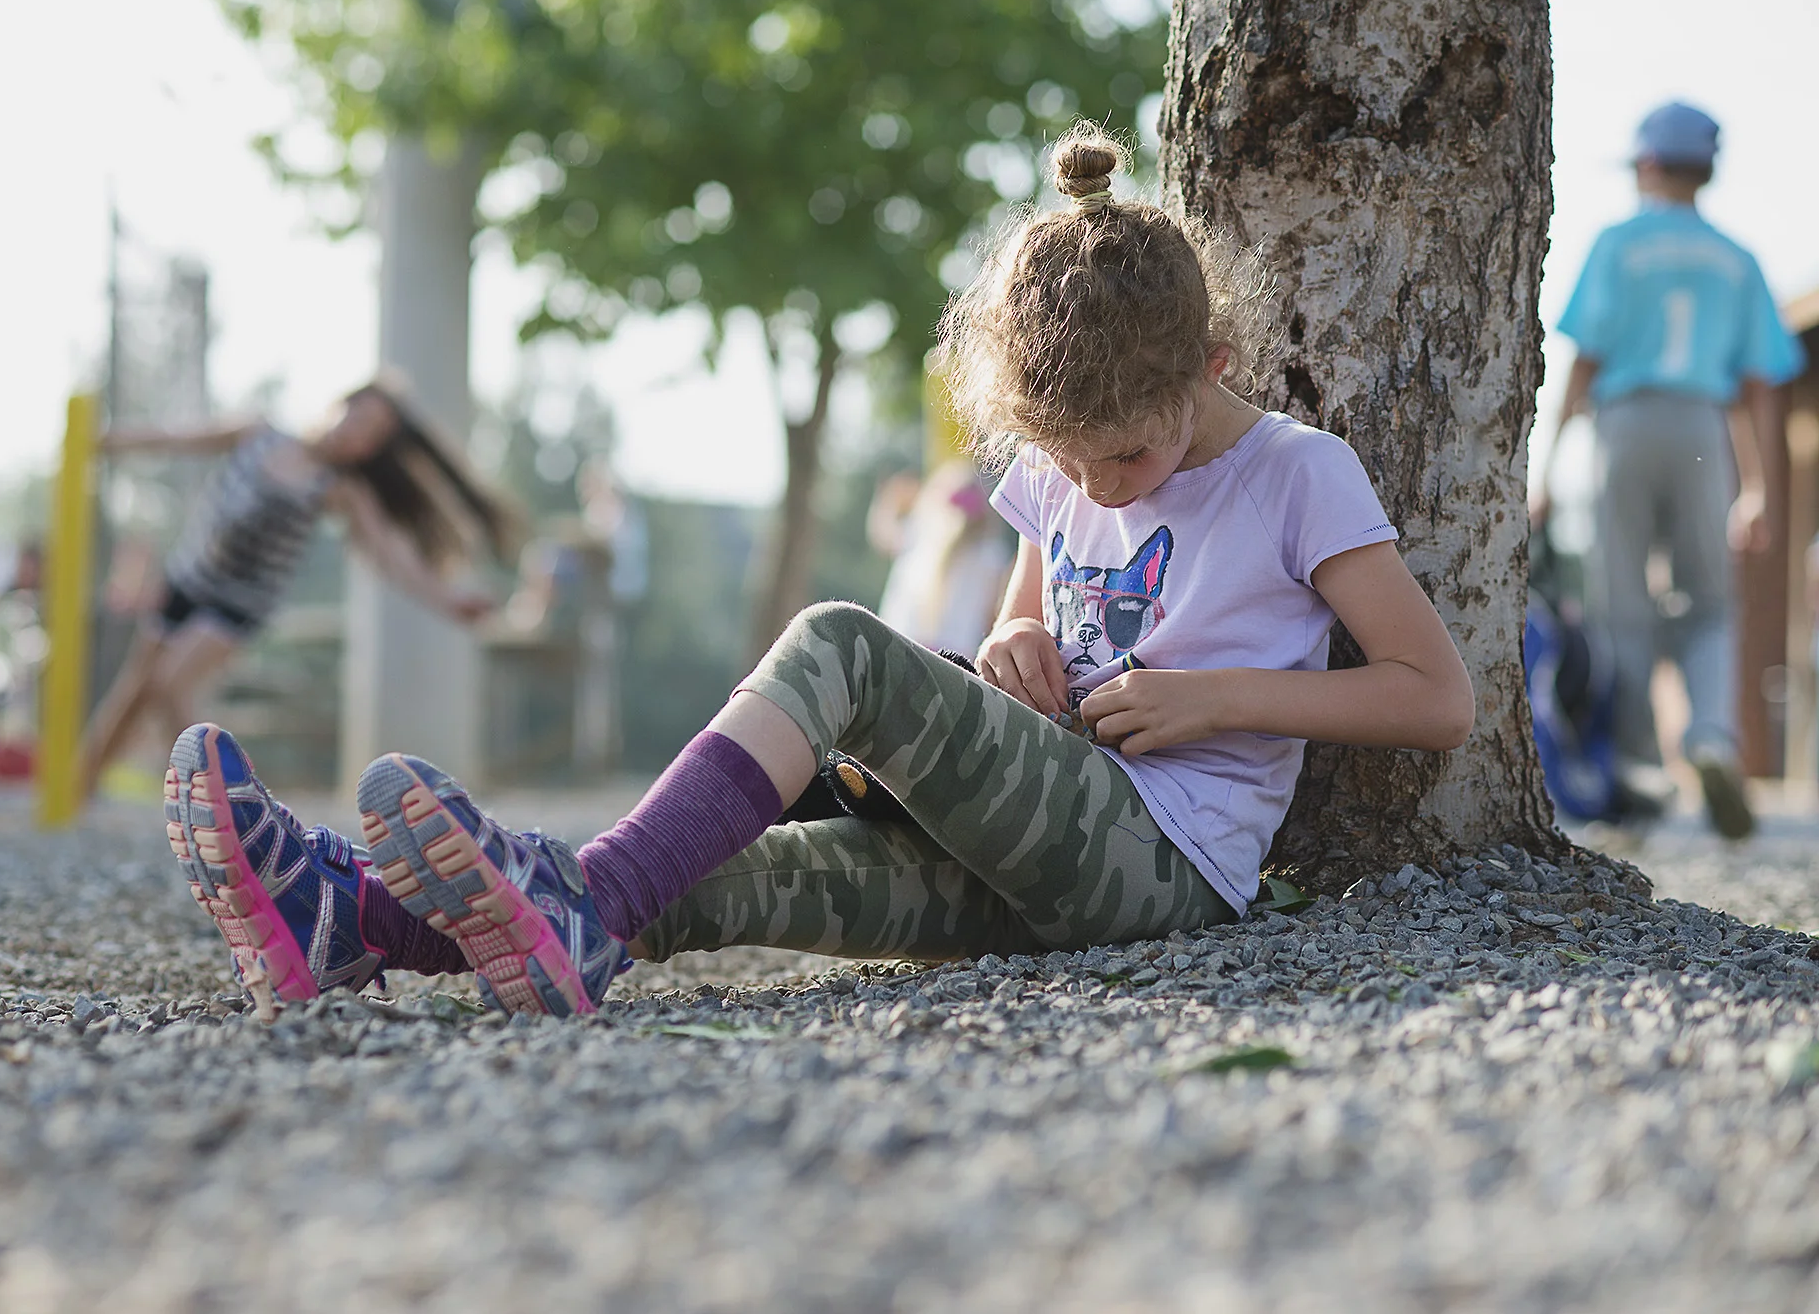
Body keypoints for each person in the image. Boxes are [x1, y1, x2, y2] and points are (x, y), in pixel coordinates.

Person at [162, 123, 1475, 1021]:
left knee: (842, 643)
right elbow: (1031, 634)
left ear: (1213, 368)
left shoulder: (1297, 474)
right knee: (748, 868)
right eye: (1065, 461)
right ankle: (360, 928)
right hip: (1042, 836)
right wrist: (1019, 656)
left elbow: (1434, 697)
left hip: (1165, 863)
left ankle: (586, 895)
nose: (1095, 488)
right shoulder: (1067, 470)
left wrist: (1221, 699)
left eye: (1125, 455)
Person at [1533, 101, 1806, 839]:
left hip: (1623, 427)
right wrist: (1758, 491)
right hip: (1702, 428)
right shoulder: (1740, 257)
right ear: (1707, 170)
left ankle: (1636, 765)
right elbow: (1760, 384)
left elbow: (1582, 362)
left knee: (1621, 598)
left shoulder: (1620, 243)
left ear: (1647, 165)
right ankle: (1712, 735)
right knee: (1712, 600)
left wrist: (1549, 471)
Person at [77, 373, 517, 799]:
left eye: (371, 435)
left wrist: (447, 600)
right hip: (188, 579)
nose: (354, 433)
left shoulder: (339, 488)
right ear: (339, 405)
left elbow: (391, 556)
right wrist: (105, 440)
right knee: (134, 690)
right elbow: (176, 439)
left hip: (236, 606)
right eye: (358, 417)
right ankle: (76, 790)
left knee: (170, 685)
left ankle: (227, 806)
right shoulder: (258, 433)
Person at [868, 459, 1016, 658]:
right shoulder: (992, 555)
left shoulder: (919, 535)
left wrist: (887, 500)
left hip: (900, 645)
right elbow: (993, 615)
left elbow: (881, 535)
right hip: (955, 660)